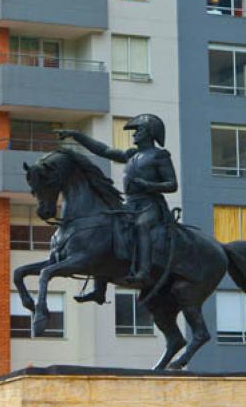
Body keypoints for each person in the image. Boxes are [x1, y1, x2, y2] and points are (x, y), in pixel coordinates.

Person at [58, 114, 177, 304]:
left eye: (139, 130)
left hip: (150, 204)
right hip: (130, 204)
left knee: (141, 226)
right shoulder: (131, 155)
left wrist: (148, 185)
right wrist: (77, 136)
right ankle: (99, 290)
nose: (135, 134)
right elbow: (104, 150)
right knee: (106, 230)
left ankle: (143, 272)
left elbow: (172, 184)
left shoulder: (159, 155)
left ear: (150, 133)